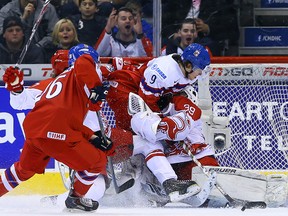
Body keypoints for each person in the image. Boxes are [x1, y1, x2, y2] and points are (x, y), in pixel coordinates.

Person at [0, 44, 114, 212]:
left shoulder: (58, 83)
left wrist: (93, 137)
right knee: (97, 162)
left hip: (37, 131)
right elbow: (83, 62)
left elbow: (66, 118)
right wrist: (96, 88)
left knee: (24, 170)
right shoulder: (84, 71)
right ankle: (76, 199)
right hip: (61, 135)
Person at [104, 43, 210, 202]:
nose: (199, 75)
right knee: (148, 136)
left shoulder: (183, 72)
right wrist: (167, 130)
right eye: (198, 71)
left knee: (146, 139)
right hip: (125, 90)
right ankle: (143, 178)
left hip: (133, 90)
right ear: (188, 65)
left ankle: (150, 181)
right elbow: (148, 106)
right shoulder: (164, 72)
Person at [161, 0, 239, 56]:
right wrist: (173, 34)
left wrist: (208, 28)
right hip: (177, 36)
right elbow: (165, 20)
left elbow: (229, 27)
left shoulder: (219, 3)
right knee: (163, 44)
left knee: (210, 46)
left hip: (205, 38)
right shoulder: (177, 2)